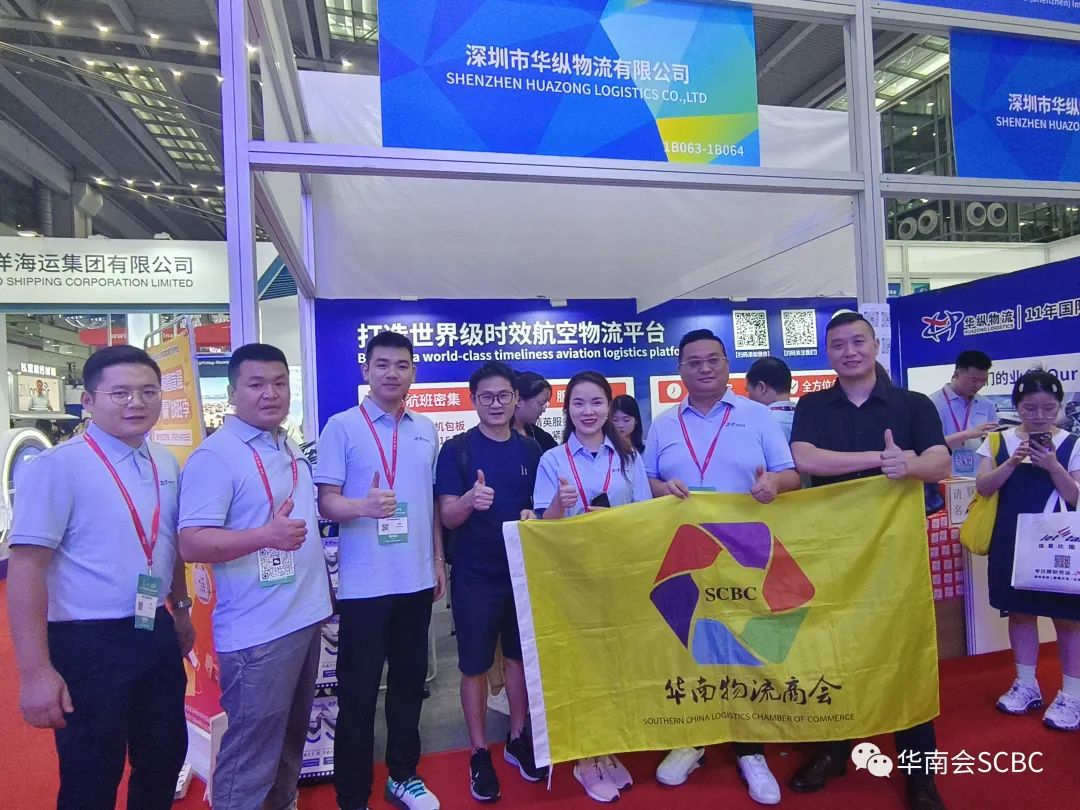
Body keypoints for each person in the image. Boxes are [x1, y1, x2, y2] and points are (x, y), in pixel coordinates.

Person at [7, 345, 192, 810]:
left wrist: (181, 608)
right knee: (92, 773)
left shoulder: (164, 461)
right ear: (88, 401)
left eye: (148, 392)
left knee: (164, 757)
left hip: (154, 630)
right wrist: (34, 672)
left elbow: (168, 543)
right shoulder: (58, 467)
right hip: (87, 640)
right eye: (120, 393)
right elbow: (27, 567)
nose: (137, 403)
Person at [789, 311, 950, 810]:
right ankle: (833, 750)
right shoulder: (813, 405)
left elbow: (939, 461)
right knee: (833, 650)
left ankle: (920, 772)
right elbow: (805, 458)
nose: (850, 351)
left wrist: (912, 463)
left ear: (875, 344)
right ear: (828, 353)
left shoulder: (912, 403)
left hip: (895, 552)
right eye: (838, 344)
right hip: (833, 551)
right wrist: (884, 462)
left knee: (904, 654)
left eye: (858, 341)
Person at [645, 330, 799, 806]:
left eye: (712, 359)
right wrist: (662, 489)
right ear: (680, 370)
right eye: (693, 362)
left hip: (745, 558)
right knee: (691, 648)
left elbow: (791, 474)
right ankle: (692, 739)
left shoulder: (757, 416)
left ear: (727, 363)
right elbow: (646, 481)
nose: (704, 368)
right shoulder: (663, 424)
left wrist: (775, 485)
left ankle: (751, 750)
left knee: (745, 652)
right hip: (686, 558)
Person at [179, 343, 332, 810]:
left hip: (302, 619)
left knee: (288, 745)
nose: (271, 393)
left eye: (280, 383)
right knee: (249, 757)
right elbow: (191, 543)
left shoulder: (285, 444)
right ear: (232, 393)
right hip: (257, 635)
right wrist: (265, 536)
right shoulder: (217, 456)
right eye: (256, 384)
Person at [315, 330, 445, 810]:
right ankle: (352, 796)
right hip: (365, 586)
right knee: (358, 695)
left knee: (409, 686)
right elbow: (325, 502)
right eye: (383, 364)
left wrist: (437, 559)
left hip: (416, 581)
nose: (393, 373)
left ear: (413, 372)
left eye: (402, 365)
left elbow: (430, 502)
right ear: (366, 369)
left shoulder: (425, 428)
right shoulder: (341, 427)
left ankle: (403, 775)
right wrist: (361, 507)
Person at [533, 370, 652, 803]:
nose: (588, 411)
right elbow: (541, 529)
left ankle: (607, 747)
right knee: (581, 668)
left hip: (618, 577)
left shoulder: (628, 458)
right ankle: (585, 757)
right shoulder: (553, 460)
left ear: (609, 407)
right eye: (579, 403)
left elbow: (644, 516)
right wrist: (557, 505)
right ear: (567, 409)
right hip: (571, 580)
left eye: (597, 402)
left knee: (615, 665)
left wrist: (618, 526)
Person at [436, 361, 547, 802]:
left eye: (504, 396)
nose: (496, 404)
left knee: (519, 660)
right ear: (473, 400)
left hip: (521, 574)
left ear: (516, 399)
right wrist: (468, 500)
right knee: (474, 665)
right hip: (474, 576)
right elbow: (447, 515)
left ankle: (518, 738)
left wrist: (535, 515)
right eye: (487, 396)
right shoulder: (457, 450)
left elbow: (542, 510)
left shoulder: (532, 451)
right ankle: (479, 751)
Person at [974, 370, 1080, 730]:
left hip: (1060, 542)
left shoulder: (1072, 443)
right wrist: (1012, 461)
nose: (1039, 416)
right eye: (1030, 408)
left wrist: (1052, 465)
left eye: (1048, 408)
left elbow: (1075, 496)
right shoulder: (996, 441)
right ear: (1017, 406)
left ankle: (1072, 694)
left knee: (1068, 619)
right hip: (1012, 539)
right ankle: (1026, 683)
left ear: (1059, 406)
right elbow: (983, 487)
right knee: (1019, 614)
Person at [928, 350, 998, 477]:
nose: (978, 385)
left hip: (978, 479)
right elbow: (928, 446)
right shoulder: (931, 403)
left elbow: (994, 447)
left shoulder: (988, 406)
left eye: (983, 380)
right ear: (957, 374)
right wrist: (967, 434)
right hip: (943, 479)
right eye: (974, 380)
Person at [746, 356, 797, 442]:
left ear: (761, 387)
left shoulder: (757, 425)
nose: (748, 397)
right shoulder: (810, 420)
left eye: (748, 390)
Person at [512, 371, 558, 452]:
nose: (543, 410)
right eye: (541, 403)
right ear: (518, 400)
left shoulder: (544, 439)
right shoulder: (498, 434)